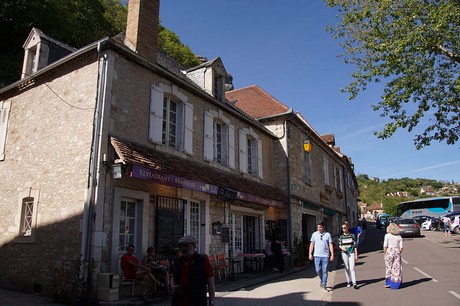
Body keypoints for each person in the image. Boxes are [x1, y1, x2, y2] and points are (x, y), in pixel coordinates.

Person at [170, 235, 215, 306]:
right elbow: (172, 275)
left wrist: (211, 301)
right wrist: (172, 285)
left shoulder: (202, 260)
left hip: (196, 299)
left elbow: (210, 281)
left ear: (194, 246)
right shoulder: (178, 261)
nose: (183, 248)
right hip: (179, 299)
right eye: (182, 246)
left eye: (186, 246)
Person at [309, 221, 335, 292]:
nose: (319, 228)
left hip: (325, 255)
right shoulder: (314, 234)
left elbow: (330, 245)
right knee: (317, 270)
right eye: (318, 227)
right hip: (317, 255)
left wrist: (332, 254)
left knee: (325, 270)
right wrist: (310, 254)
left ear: (323, 227)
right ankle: (322, 280)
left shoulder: (328, 234)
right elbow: (312, 244)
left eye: (320, 227)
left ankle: (324, 285)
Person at [338, 222, 359, 289]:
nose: (343, 229)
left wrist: (356, 255)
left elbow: (355, 246)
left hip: (351, 253)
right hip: (344, 253)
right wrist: (342, 248)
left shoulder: (352, 236)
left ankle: (354, 283)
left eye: (344, 227)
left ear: (347, 228)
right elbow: (339, 245)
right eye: (342, 228)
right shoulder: (341, 237)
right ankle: (348, 282)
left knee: (352, 268)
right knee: (346, 268)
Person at [383, 223, 403, 289]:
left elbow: (385, 245)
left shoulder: (387, 236)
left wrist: (385, 253)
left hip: (389, 251)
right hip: (396, 251)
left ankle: (388, 282)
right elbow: (401, 247)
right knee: (396, 267)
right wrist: (398, 252)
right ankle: (395, 282)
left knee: (388, 267)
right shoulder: (399, 237)